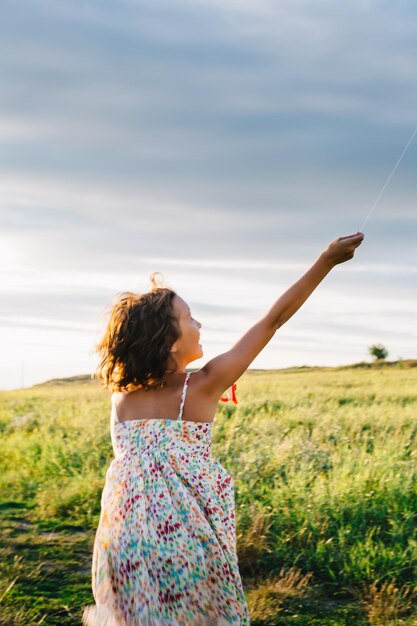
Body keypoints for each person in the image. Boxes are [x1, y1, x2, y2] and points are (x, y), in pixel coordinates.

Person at [82, 231, 364, 625]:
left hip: (122, 542)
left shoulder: (121, 398)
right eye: (189, 318)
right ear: (171, 342)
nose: (199, 322)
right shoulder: (202, 386)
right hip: (185, 539)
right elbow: (273, 321)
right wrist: (326, 261)